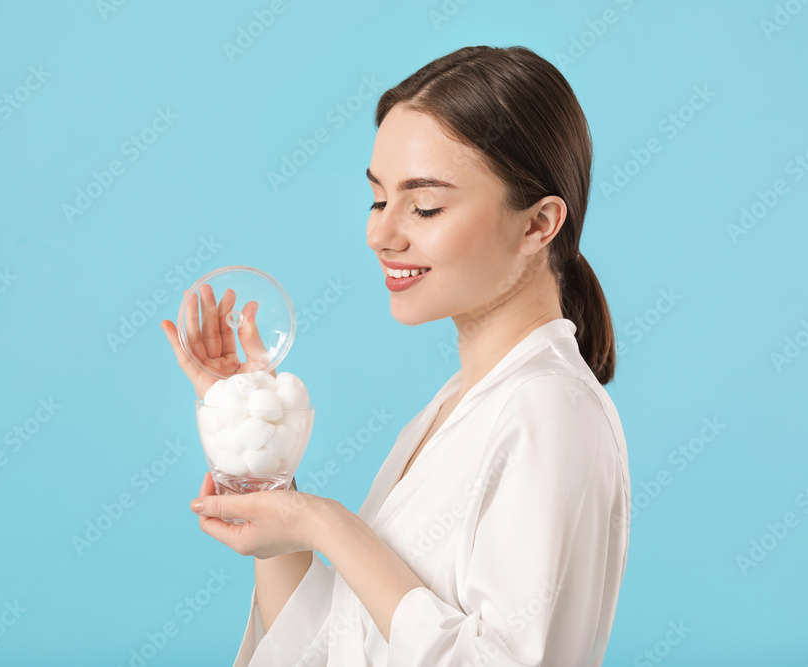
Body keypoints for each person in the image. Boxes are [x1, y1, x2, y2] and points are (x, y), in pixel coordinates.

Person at [160, 44, 631, 667]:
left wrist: (327, 524)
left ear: (538, 225)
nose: (380, 234)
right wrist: (263, 455)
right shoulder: (455, 406)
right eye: (379, 199)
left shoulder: (552, 412)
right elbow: (335, 648)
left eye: (426, 205)